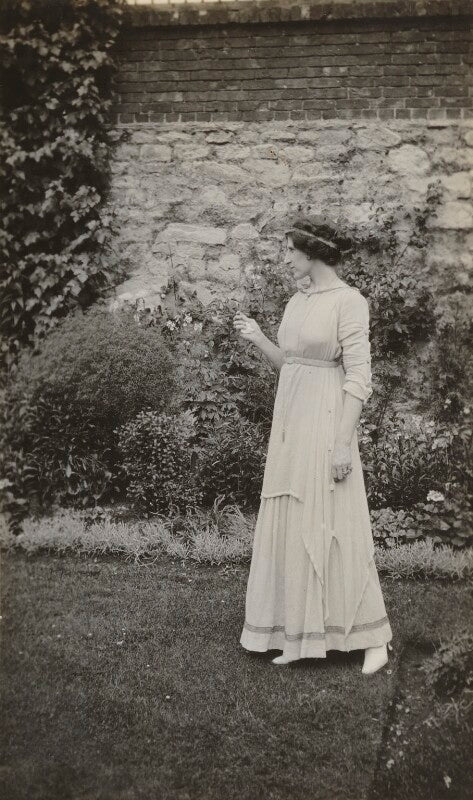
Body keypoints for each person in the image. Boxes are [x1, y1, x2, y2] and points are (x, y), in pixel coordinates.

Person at [233, 214, 393, 675]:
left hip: (326, 422)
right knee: (294, 520)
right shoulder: (297, 301)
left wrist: (342, 443)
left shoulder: (349, 301)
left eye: (290, 250)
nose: (285, 259)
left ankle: (374, 639)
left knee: (337, 522)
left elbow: (359, 377)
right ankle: (297, 633)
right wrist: (258, 338)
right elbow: (290, 364)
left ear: (311, 252)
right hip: (291, 422)